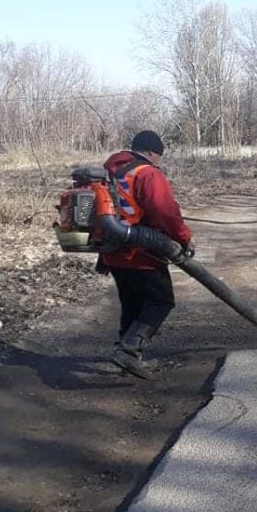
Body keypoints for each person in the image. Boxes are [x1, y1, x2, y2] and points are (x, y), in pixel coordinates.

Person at [101, 130, 193, 378]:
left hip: (112, 252)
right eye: (159, 156)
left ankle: (125, 358)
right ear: (152, 152)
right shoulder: (147, 173)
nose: (159, 161)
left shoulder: (110, 171)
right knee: (160, 301)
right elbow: (166, 213)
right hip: (142, 253)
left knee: (132, 304)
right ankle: (129, 352)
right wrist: (184, 238)